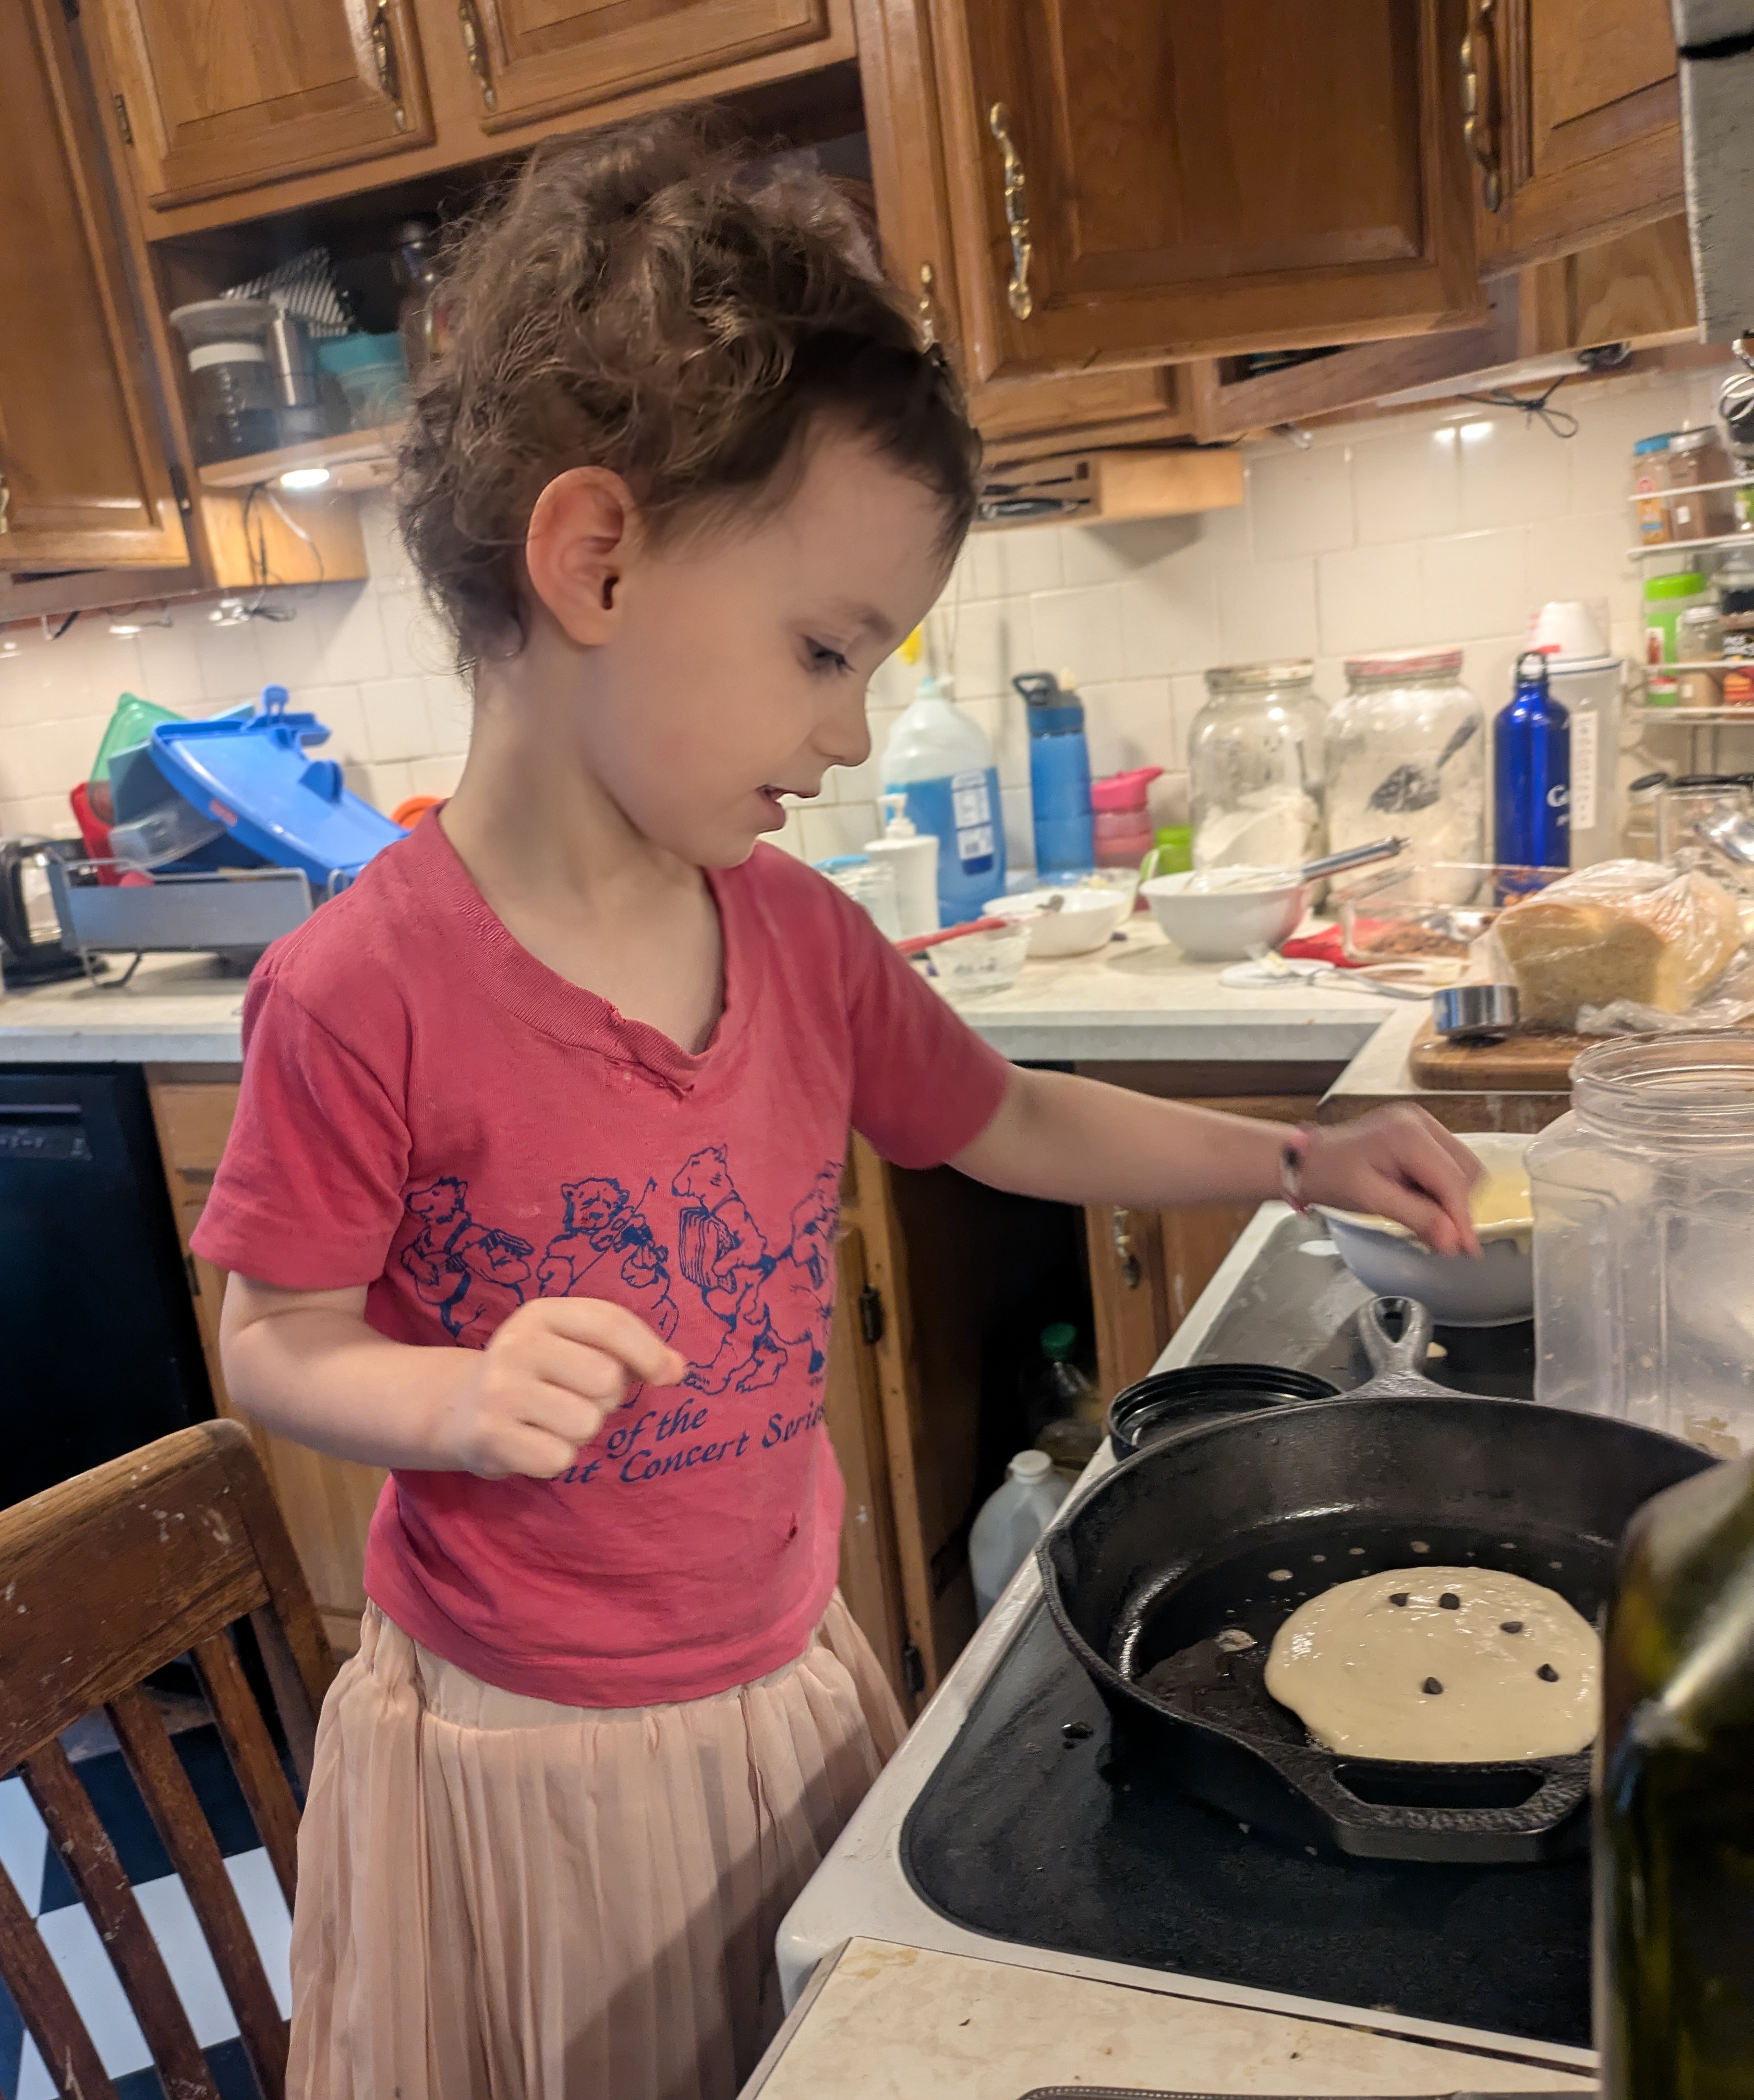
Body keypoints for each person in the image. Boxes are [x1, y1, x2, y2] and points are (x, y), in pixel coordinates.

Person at [193, 111, 1480, 2100]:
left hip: (784, 1681)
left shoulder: (794, 936)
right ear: (595, 557)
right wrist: (446, 1398)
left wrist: (1296, 1157)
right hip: (527, 1758)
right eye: (820, 649)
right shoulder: (365, 988)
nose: (852, 731)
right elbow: (269, 1330)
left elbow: (1006, 1117)